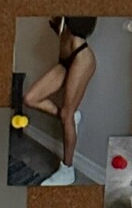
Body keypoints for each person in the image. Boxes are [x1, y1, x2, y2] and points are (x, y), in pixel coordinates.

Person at [22, 16, 98, 187]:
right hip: (65, 62)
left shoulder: (77, 20)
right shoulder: (62, 22)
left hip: (81, 59)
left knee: (66, 115)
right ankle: (69, 116)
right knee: (29, 98)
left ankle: (67, 170)